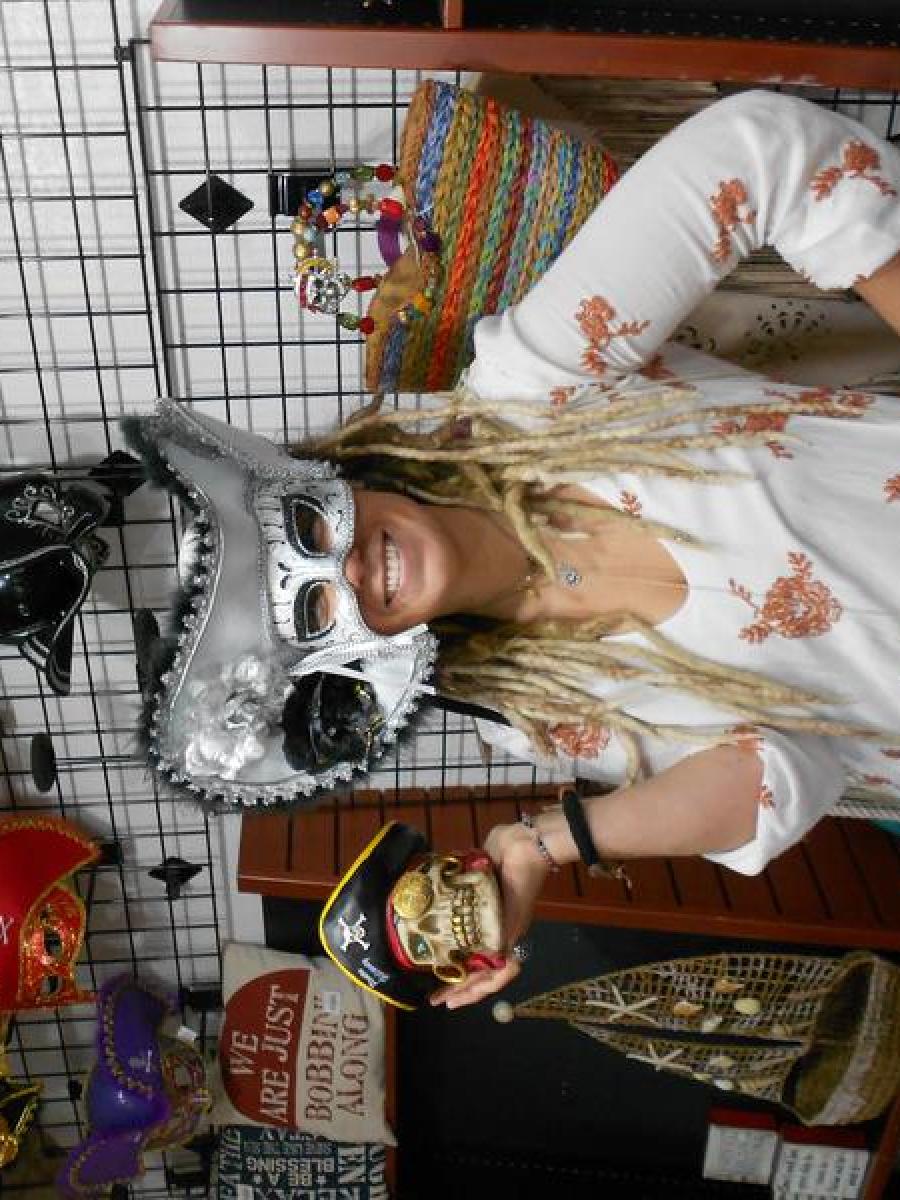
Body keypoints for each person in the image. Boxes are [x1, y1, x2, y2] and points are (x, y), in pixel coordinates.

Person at [299, 88, 900, 1010]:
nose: (343, 571)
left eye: (308, 530)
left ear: (332, 475)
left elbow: (760, 153)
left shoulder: (535, 389)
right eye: (310, 612)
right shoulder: (541, 704)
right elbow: (787, 777)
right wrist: (546, 843)